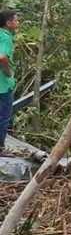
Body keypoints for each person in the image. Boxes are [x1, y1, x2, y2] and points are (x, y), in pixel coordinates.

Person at [0, 9, 19, 152]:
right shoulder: (6, 37)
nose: (17, 23)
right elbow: (2, 57)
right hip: (3, 85)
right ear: (8, 23)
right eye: (16, 20)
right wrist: (8, 73)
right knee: (4, 116)